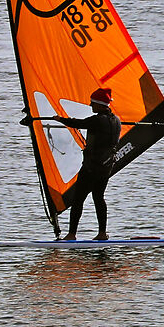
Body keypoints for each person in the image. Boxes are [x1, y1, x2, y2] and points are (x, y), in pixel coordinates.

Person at [25, 85, 121, 239]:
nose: (90, 105)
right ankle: (102, 233)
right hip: (106, 167)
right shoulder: (116, 120)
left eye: (92, 103)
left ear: (99, 104)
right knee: (99, 197)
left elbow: (78, 124)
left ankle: (71, 234)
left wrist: (60, 119)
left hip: (91, 168)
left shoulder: (97, 120)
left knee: (78, 200)